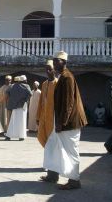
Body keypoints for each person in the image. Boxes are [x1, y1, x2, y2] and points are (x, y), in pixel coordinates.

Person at [43, 51, 87, 190]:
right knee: (52, 146)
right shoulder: (62, 76)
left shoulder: (67, 77)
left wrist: (62, 123)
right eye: (54, 61)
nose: (55, 63)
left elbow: (68, 103)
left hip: (69, 123)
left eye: (57, 61)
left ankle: (74, 181)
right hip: (62, 121)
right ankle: (52, 175)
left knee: (71, 151)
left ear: (64, 62)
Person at [37, 59, 58, 182]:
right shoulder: (44, 84)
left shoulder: (58, 83)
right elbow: (41, 103)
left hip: (54, 121)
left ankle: (54, 174)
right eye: (46, 69)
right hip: (44, 119)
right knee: (48, 146)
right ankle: (51, 174)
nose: (48, 71)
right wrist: (38, 117)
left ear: (54, 69)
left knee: (54, 147)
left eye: (50, 68)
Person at [5, 75, 32, 141]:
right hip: (22, 106)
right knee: (22, 121)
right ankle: (21, 136)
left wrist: (12, 99)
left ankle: (9, 136)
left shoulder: (12, 86)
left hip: (14, 106)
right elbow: (30, 94)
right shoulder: (26, 86)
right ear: (23, 80)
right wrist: (25, 100)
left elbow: (7, 93)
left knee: (13, 121)